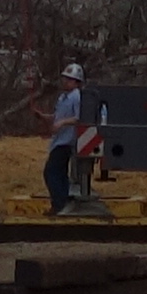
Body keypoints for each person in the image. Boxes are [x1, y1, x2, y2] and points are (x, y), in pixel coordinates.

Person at [42, 60, 88, 217]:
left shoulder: (77, 97)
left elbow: (79, 118)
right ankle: (63, 200)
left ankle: (60, 203)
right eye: (64, 78)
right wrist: (46, 118)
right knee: (60, 172)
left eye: (68, 79)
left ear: (76, 82)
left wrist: (62, 123)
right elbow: (58, 115)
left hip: (67, 141)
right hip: (58, 140)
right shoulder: (63, 97)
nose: (65, 81)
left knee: (51, 172)